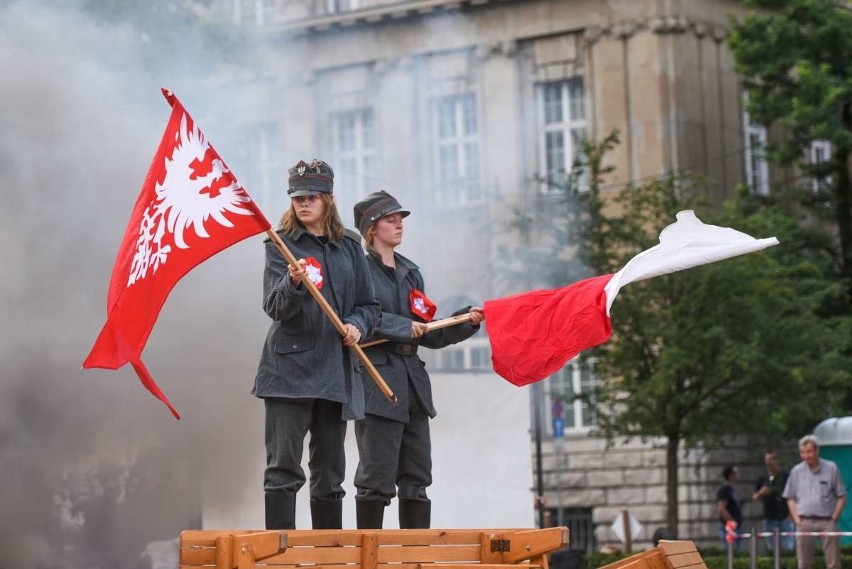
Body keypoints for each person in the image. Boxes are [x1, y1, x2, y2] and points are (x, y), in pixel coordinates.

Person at [253, 159, 379, 530]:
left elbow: (367, 305)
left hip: (335, 371)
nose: (303, 204)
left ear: (328, 199)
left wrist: (357, 326)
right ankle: (279, 554)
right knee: (283, 468)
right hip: (288, 372)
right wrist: (291, 283)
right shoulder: (281, 245)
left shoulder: (350, 247)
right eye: (297, 198)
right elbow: (274, 308)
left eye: (310, 197)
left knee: (330, 472)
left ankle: (330, 553)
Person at [350, 190, 485, 529]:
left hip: (412, 383)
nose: (399, 225)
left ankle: (415, 557)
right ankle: (371, 558)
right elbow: (356, 320)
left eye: (400, 219)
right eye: (390, 219)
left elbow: (428, 331)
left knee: (417, 476)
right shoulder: (359, 270)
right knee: (376, 477)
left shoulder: (411, 273)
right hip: (377, 382)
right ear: (371, 228)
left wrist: (463, 321)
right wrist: (402, 327)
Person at [784, 435, 847, 569]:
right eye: (803, 452)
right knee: (803, 563)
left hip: (827, 521)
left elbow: (842, 495)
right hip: (804, 522)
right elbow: (790, 498)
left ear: (817, 450)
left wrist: (834, 518)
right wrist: (796, 519)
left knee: (833, 563)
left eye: (809, 452)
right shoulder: (796, 471)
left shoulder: (831, 468)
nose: (806, 456)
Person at [752, 450, 795, 553]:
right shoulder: (762, 479)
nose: (770, 462)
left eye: (772, 459)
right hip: (769, 518)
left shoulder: (786, 476)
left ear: (777, 460)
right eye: (768, 460)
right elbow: (754, 498)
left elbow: (795, 495)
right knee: (771, 549)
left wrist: (791, 515)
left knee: (788, 548)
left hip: (785, 518)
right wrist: (760, 493)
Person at [717, 465, 744, 550]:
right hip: (729, 528)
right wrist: (732, 522)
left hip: (737, 527)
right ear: (730, 476)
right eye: (736, 473)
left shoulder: (733, 490)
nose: (739, 475)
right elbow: (721, 509)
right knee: (731, 551)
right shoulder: (725, 490)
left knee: (737, 552)